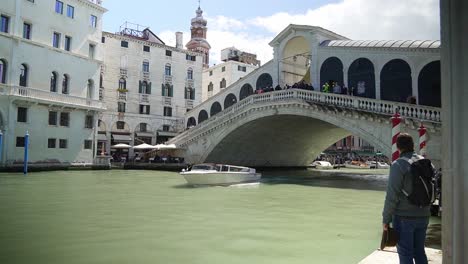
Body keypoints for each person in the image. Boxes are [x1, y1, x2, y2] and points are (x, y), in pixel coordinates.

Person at [382, 133, 431, 264]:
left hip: (404, 218)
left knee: (405, 255)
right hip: (424, 215)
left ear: (398, 147)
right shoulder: (425, 162)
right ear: (413, 145)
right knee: (420, 252)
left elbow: (391, 195)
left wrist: (386, 219)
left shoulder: (398, 165)